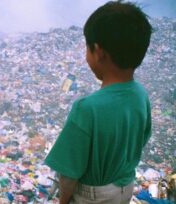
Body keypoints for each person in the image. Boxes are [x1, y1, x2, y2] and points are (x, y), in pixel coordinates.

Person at [45, 1, 152, 204]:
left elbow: (69, 173)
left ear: (98, 51)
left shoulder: (87, 108)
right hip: (125, 188)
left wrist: (63, 201)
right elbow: (142, 138)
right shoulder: (141, 95)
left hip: (93, 196)